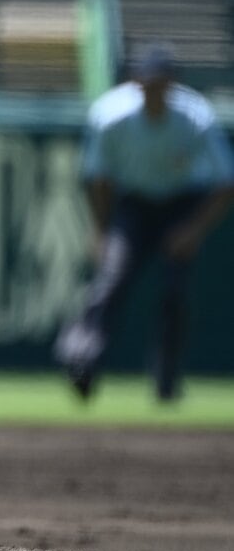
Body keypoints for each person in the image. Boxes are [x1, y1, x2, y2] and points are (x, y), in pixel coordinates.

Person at [53, 41, 234, 402]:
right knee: (110, 282)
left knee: (174, 295)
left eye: (161, 83)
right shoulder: (112, 115)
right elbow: (100, 178)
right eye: (148, 84)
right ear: (136, 83)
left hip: (181, 205)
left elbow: (226, 182)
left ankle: (166, 381)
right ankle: (80, 361)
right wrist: (101, 229)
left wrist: (192, 230)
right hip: (133, 204)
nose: (154, 91)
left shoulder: (195, 116)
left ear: (172, 84)